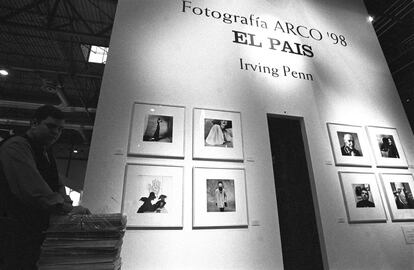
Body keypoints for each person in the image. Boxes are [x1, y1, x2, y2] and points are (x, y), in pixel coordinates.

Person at [0, 104, 90, 270]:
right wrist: (65, 208)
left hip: (30, 232)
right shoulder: (17, 145)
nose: (56, 132)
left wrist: (66, 206)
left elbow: (57, 185)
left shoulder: (45, 151)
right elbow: (32, 188)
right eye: (51, 126)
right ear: (34, 123)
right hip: (13, 232)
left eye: (60, 129)